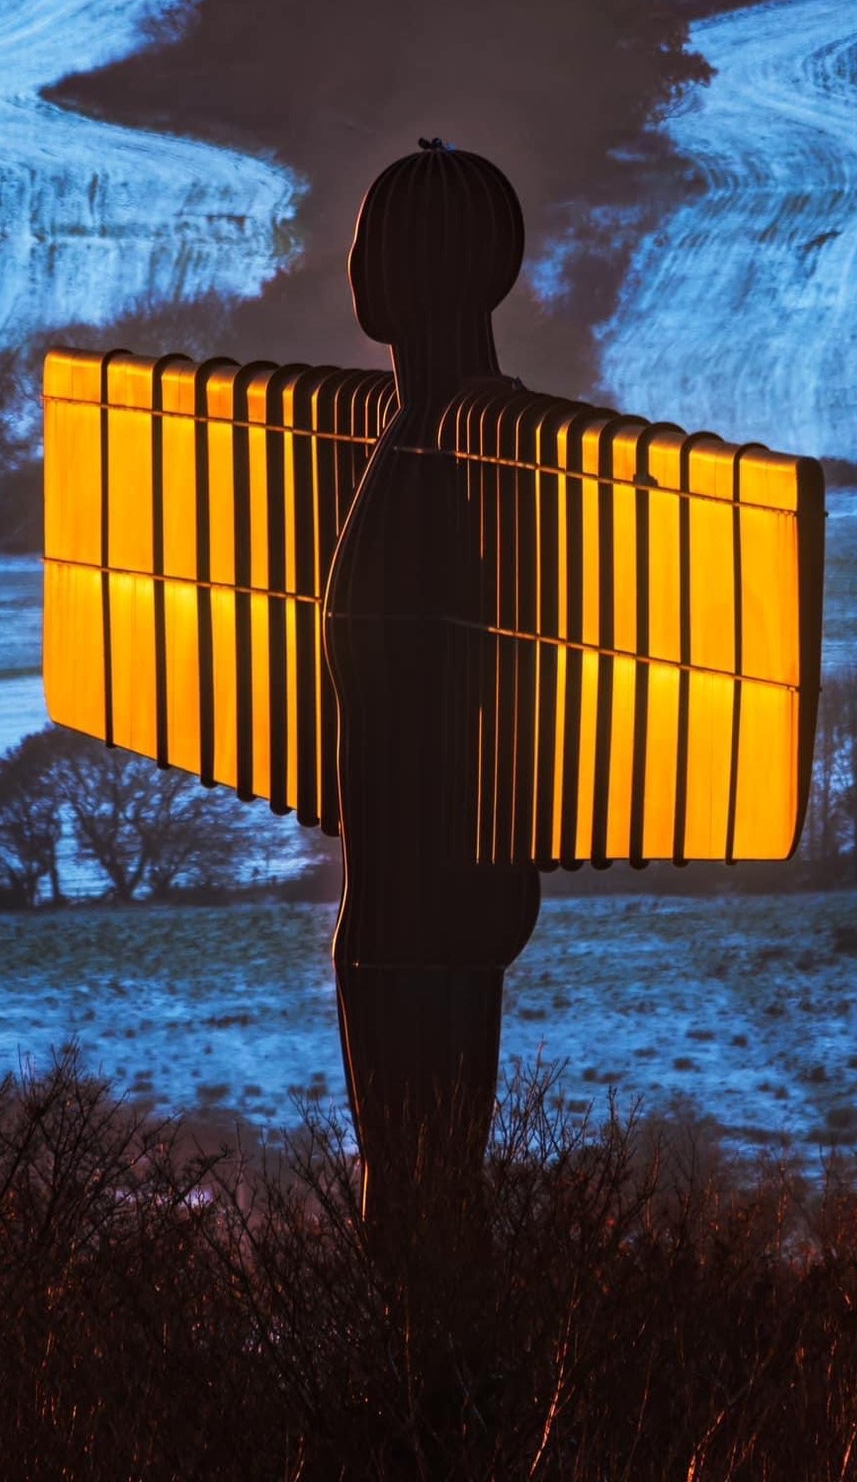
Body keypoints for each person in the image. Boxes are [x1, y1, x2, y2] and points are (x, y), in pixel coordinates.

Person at [323, 141, 541, 1224]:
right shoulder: (407, 436)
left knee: (423, 1194)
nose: (354, 271)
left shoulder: (478, 444)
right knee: (402, 1191)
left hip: (436, 890)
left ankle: (430, 1362)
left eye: (375, 245)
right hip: (391, 896)